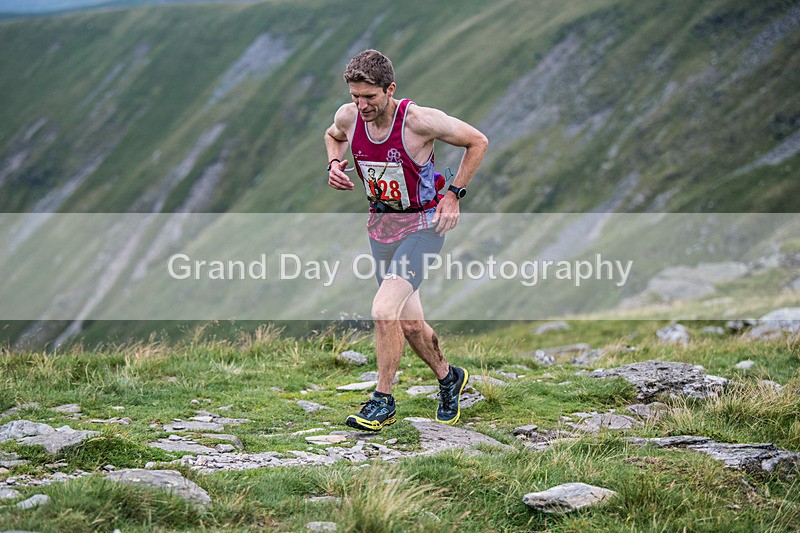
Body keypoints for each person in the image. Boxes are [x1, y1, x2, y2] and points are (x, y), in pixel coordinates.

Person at [324, 49, 488, 431]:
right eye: (355, 96)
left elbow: (477, 141)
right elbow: (333, 137)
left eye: (370, 97)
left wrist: (454, 194)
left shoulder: (418, 121)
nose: (361, 105)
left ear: (390, 89)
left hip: (423, 227)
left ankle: (383, 401)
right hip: (381, 228)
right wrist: (334, 163)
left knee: (383, 310)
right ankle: (449, 378)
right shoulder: (349, 117)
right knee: (410, 325)